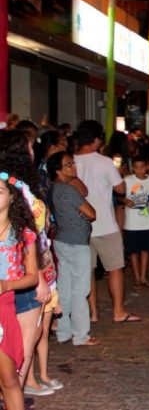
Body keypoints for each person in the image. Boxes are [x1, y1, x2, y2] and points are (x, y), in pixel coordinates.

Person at [74, 120, 139, 323]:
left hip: (80, 223)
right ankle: (118, 311)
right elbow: (120, 189)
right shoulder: (104, 162)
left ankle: (92, 312)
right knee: (115, 268)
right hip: (104, 223)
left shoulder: (70, 161)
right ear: (96, 140)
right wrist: (118, 175)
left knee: (88, 271)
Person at [47, 152, 98, 347]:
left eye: (72, 163)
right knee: (80, 288)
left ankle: (63, 331)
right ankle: (81, 335)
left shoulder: (54, 189)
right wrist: (83, 217)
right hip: (76, 243)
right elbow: (91, 213)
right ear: (58, 171)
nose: (73, 167)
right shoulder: (68, 190)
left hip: (62, 240)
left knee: (65, 288)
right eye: (68, 165)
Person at [0, 173, 40, 410]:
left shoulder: (23, 234)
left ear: (12, 197)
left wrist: (6, 285)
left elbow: (32, 276)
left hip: (4, 309)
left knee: (9, 379)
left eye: (0, 191)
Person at [122, 156, 149, 288]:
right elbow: (120, 196)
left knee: (145, 251)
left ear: (147, 167)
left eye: (142, 167)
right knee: (133, 251)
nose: (140, 170)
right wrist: (126, 201)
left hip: (147, 222)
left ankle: (143, 276)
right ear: (133, 168)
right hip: (132, 223)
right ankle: (137, 277)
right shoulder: (127, 181)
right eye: (137, 167)